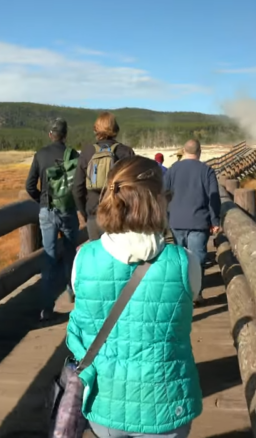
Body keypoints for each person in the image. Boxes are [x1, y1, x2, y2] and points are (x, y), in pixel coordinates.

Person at [66, 156, 203, 437]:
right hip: (167, 406)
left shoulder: (83, 259)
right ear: (159, 200)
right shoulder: (186, 262)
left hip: (105, 402)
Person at [25, 118, 81, 321]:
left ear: (51, 134)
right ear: (65, 135)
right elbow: (79, 185)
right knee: (70, 254)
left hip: (47, 211)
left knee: (48, 257)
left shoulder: (40, 154)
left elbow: (29, 185)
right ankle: (71, 291)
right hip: (67, 210)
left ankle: (46, 308)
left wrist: (42, 199)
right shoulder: (73, 154)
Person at [164, 139, 221, 302]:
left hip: (176, 221)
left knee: (180, 260)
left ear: (184, 150)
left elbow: (162, 194)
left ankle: (181, 293)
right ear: (200, 151)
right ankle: (196, 293)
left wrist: (167, 216)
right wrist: (215, 220)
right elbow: (214, 197)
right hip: (199, 221)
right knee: (197, 259)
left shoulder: (173, 169)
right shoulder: (206, 170)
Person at [72, 112, 135, 241]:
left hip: (94, 214)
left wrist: (85, 213)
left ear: (96, 129)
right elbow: (134, 187)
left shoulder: (87, 152)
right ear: (115, 129)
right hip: (118, 214)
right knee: (119, 258)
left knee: (97, 258)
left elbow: (77, 188)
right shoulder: (126, 152)